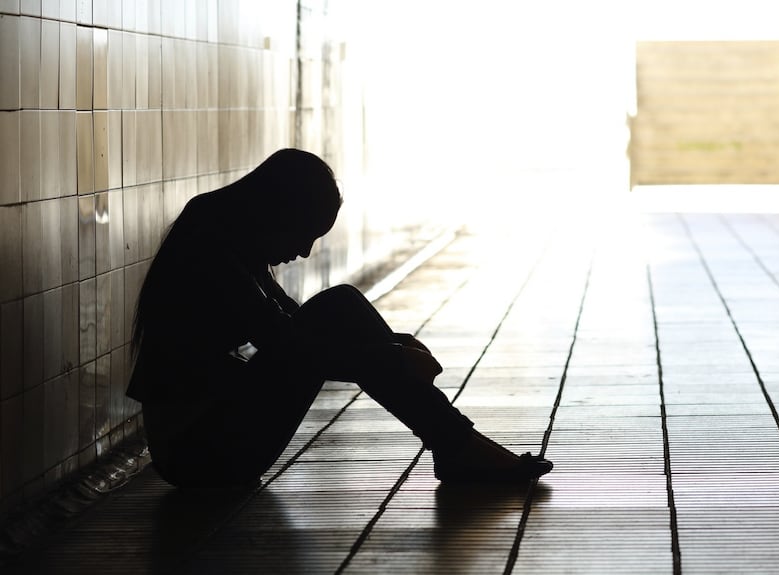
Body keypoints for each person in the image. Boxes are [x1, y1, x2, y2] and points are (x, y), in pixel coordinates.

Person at [127, 148, 552, 488]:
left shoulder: (226, 230)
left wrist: (394, 346)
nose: (305, 252)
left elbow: (291, 324)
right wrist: (394, 359)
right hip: (199, 457)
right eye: (304, 234)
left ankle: (456, 446)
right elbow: (291, 347)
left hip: (213, 440)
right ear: (277, 212)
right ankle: (458, 446)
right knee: (339, 307)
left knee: (341, 307)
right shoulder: (210, 243)